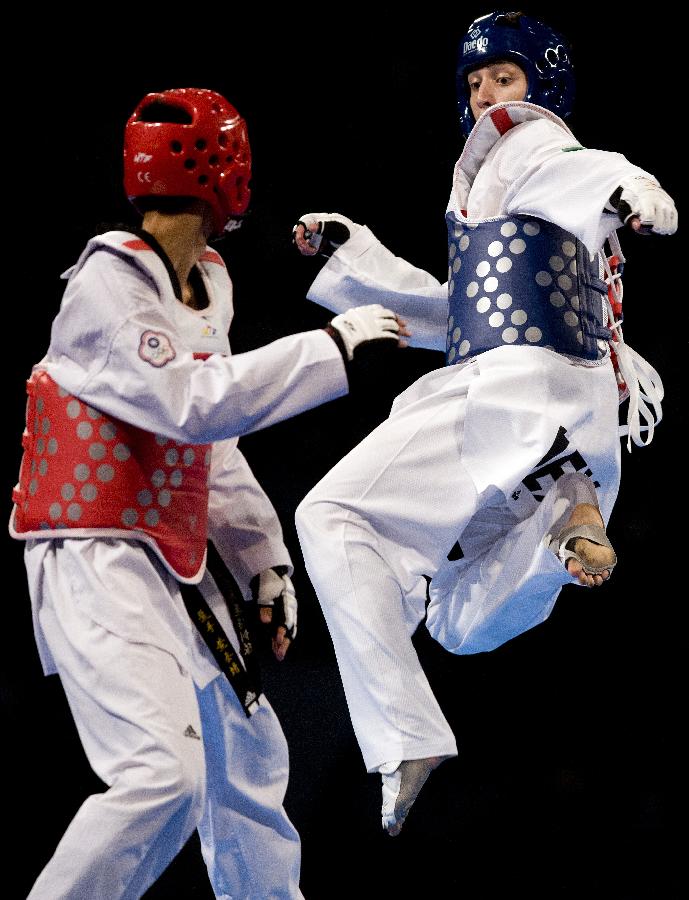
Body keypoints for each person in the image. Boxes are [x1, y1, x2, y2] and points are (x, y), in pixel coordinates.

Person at [9, 87, 407, 899]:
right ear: (231, 174)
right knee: (160, 776)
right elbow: (190, 404)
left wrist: (264, 561)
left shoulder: (206, 285)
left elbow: (210, 446)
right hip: (94, 557)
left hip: (175, 561)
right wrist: (328, 347)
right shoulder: (106, 285)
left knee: (251, 765)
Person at [292, 10, 677, 838]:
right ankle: (555, 537)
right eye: (474, 84)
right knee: (457, 623)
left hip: (510, 396)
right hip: (577, 439)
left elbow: (584, 169)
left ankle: (405, 740)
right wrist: (349, 254)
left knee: (332, 516)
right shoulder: (507, 198)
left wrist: (633, 194)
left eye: (503, 78)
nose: (487, 98)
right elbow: (453, 311)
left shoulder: (526, 144)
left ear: (542, 86)